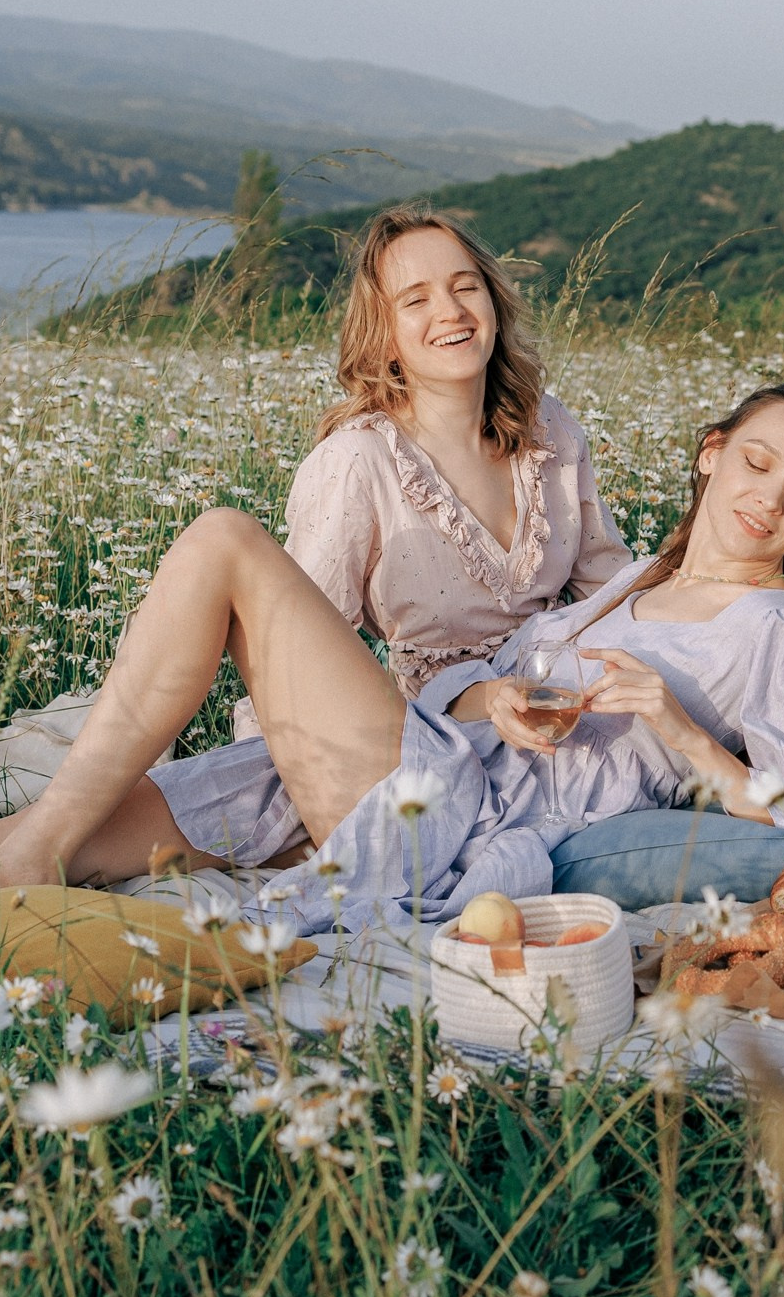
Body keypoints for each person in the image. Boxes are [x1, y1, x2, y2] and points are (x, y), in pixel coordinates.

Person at [0, 384, 784, 945]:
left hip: (453, 822)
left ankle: (29, 849)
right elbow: (458, 695)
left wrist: (676, 732)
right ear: (712, 454)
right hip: (440, 753)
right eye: (756, 462)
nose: (767, 500)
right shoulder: (624, 588)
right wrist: (493, 694)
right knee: (91, 826)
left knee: (228, 542)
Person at [158, 199, 633, 863]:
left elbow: (614, 587)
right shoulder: (359, 461)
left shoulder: (549, 430)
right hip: (410, 743)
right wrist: (268, 772)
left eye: (465, 286)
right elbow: (293, 650)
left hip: (534, 735)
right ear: (382, 336)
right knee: (163, 824)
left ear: (493, 300)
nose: (452, 311)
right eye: (416, 300)